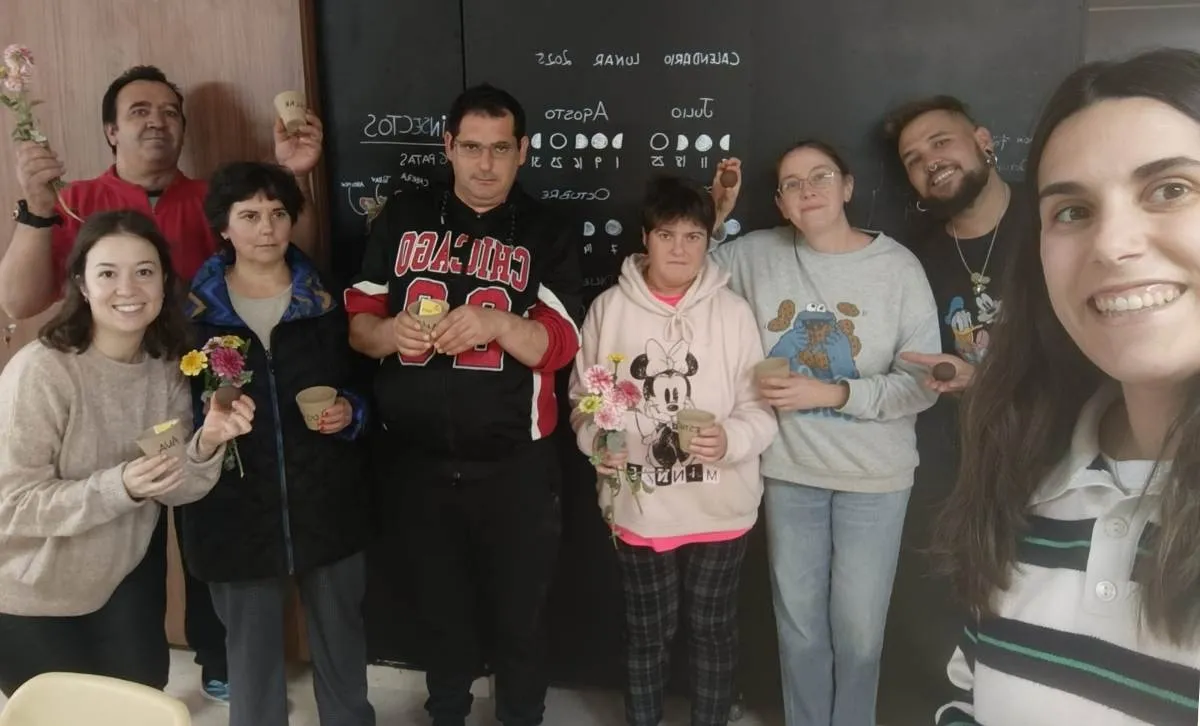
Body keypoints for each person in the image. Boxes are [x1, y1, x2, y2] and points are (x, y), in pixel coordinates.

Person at [0, 64, 324, 703]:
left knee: (185, 525)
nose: (130, 289)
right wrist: (35, 212)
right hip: (42, 564)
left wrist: (292, 178)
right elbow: (17, 301)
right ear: (111, 131)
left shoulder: (209, 201)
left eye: (170, 112)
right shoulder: (69, 202)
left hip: (188, 380)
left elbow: (280, 259)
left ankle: (214, 653)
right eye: (139, 111)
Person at [930, 48, 1200, 726]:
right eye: (1073, 211)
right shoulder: (1025, 476)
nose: (1112, 245)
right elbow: (973, 697)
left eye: (1171, 189)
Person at [344, 83, 583, 726]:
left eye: (500, 149)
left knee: (521, 618)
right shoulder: (403, 214)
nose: (485, 164)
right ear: (448, 146)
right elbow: (359, 326)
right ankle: (446, 715)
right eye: (472, 147)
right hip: (415, 458)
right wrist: (391, 334)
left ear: (523, 151)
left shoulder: (548, 229)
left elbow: (560, 346)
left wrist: (498, 324)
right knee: (439, 611)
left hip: (515, 463)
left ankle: (520, 719)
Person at [708, 141, 941, 726]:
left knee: (859, 635)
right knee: (801, 631)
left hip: (875, 479)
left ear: (848, 187)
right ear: (780, 203)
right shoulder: (755, 255)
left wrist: (832, 394)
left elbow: (922, 385)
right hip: (790, 473)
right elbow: (685, 272)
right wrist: (714, 215)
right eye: (792, 183)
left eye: (821, 176)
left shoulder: (898, 268)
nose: (807, 190)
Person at [0, 210, 254, 696]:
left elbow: (172, 483)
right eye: (107, 273)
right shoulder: (41, 373)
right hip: (30, 589)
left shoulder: (165, 369)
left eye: (144, 271)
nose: (128, 289)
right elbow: (13, 505)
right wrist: (121, 487)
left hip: (119, 577)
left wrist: (207, 443)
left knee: (139, 697)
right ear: (82, 284)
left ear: (163, 282)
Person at [569, 176, 777, 726]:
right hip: (640, 507)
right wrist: (597, 441)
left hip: (721, 507)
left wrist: (730, 439)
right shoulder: (609, 310)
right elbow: (584, 400)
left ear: (709, 239)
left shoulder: (733, 313)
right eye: (667, 235)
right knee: (647, 632)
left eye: (693, 236)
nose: (680, 249)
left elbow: (761, 409)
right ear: (645, 238)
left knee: (713, 630)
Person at [179, 161, 375, 726]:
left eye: (278, 213)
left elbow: (367, 383)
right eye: (249, 215)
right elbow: (173, 413)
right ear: (223, 226)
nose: (266, 228)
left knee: (342, 646)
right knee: (251, 659)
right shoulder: (192, 313)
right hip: (235, 508)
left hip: (328, 500)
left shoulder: (327, 300)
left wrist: (351, 410)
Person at [879, 95, 1036, 392]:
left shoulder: (1051, 217)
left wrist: (981, 382)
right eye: (914, 160)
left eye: (941, 142)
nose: (930, 162)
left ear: (983, 141)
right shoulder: (913, 261)